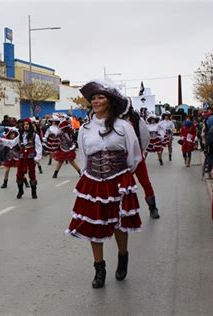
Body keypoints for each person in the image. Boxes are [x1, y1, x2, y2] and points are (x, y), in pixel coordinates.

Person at [65, 80, 142, 289]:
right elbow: (83, 155)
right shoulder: (86, 128)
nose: (96, 101)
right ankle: (99, 268)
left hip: (118, 178)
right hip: (92, 181)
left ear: (110, 101)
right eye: (94, 98)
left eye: (101, 97)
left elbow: (134, 156)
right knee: (93, 224)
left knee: (119, 222)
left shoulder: (123, 126)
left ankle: (123, 256)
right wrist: (87, 175)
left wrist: (121, 174)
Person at [121, 100, 160, 219]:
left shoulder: (137, 120)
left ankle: (153, 207)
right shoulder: (115, 121)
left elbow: (145, 138)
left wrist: (138, 153)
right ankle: (125, 210)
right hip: (121, 159)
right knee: (123, 186)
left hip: (137, 157)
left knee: (145, 182)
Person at [0, 118, 42, 199]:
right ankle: (20, 190)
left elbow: (38, 147)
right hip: (22, 157)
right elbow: (12, 143)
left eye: (27, 124)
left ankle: (34, 192)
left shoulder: (34, 135)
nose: (26, 126)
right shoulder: (20, 135)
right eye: (24, 124)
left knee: (32, 173)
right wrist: (3, 141)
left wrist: (38, 157)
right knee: (19, 174)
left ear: (30, 126)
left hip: (30, 157)